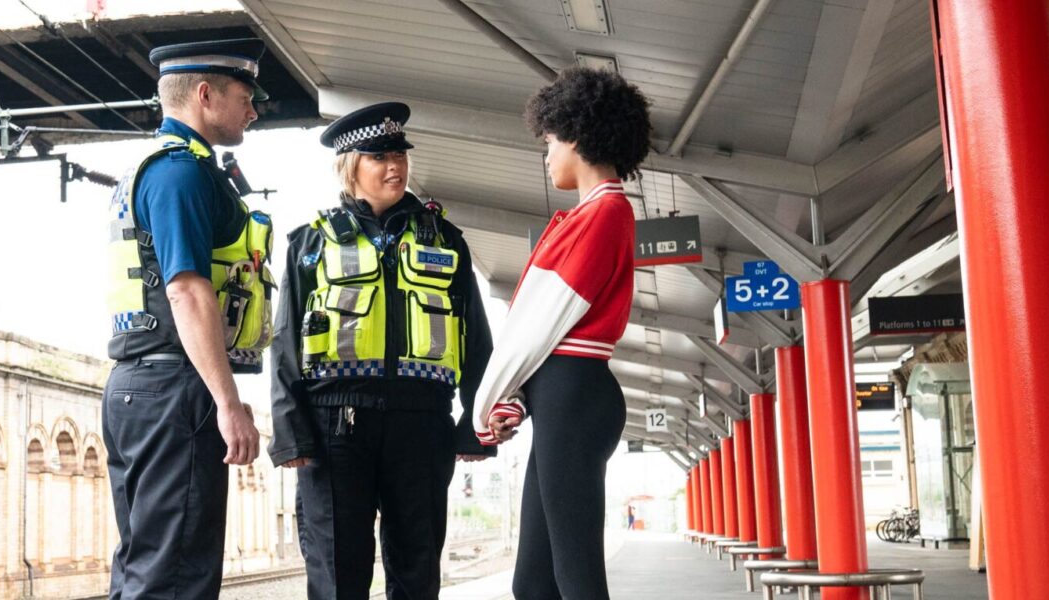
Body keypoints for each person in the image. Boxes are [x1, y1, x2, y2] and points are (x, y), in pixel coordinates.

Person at [268, 102, 497, 600]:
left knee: (417, 571)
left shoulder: (446, 241)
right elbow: (284, 341)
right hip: (335, 426)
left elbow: (476, 338)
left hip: (422, 423)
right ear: (351, 166)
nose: (395, 166)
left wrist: (475, 424)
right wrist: (291, 431)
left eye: (399, 154)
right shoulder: (310, 243)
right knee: (336, 573)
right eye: (379, 157)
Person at [470, 67, 652, 600]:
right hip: (565, 396)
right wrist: (515, 401)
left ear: (577, 135)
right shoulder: (593, 215)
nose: (547, 156)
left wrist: (486, 403)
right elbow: (543, 338)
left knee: (577, 580)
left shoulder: (604, 212)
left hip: (573, 398)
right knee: (535, 583)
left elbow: (536, 327)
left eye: (550, 142)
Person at [102, 38, 271, 600]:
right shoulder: (183, 174)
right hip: (176, 391)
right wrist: (227, 404)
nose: (253, 109)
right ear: (205, 95)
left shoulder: (147, 170)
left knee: (144, 565)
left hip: (139, 387)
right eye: (245, 97)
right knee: (176, 576)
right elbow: (187, 293)